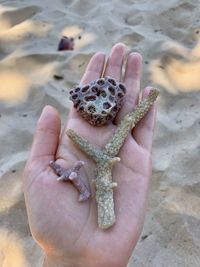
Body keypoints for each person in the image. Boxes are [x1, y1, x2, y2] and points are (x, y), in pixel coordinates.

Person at [23, 43, 157, 267]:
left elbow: (126, 123)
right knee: (126, 124)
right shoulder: (95, 142)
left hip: (104, 159)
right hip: (102, 161)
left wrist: (65, 260)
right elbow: (124, 124)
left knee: (127, 124)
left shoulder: (107, 140)